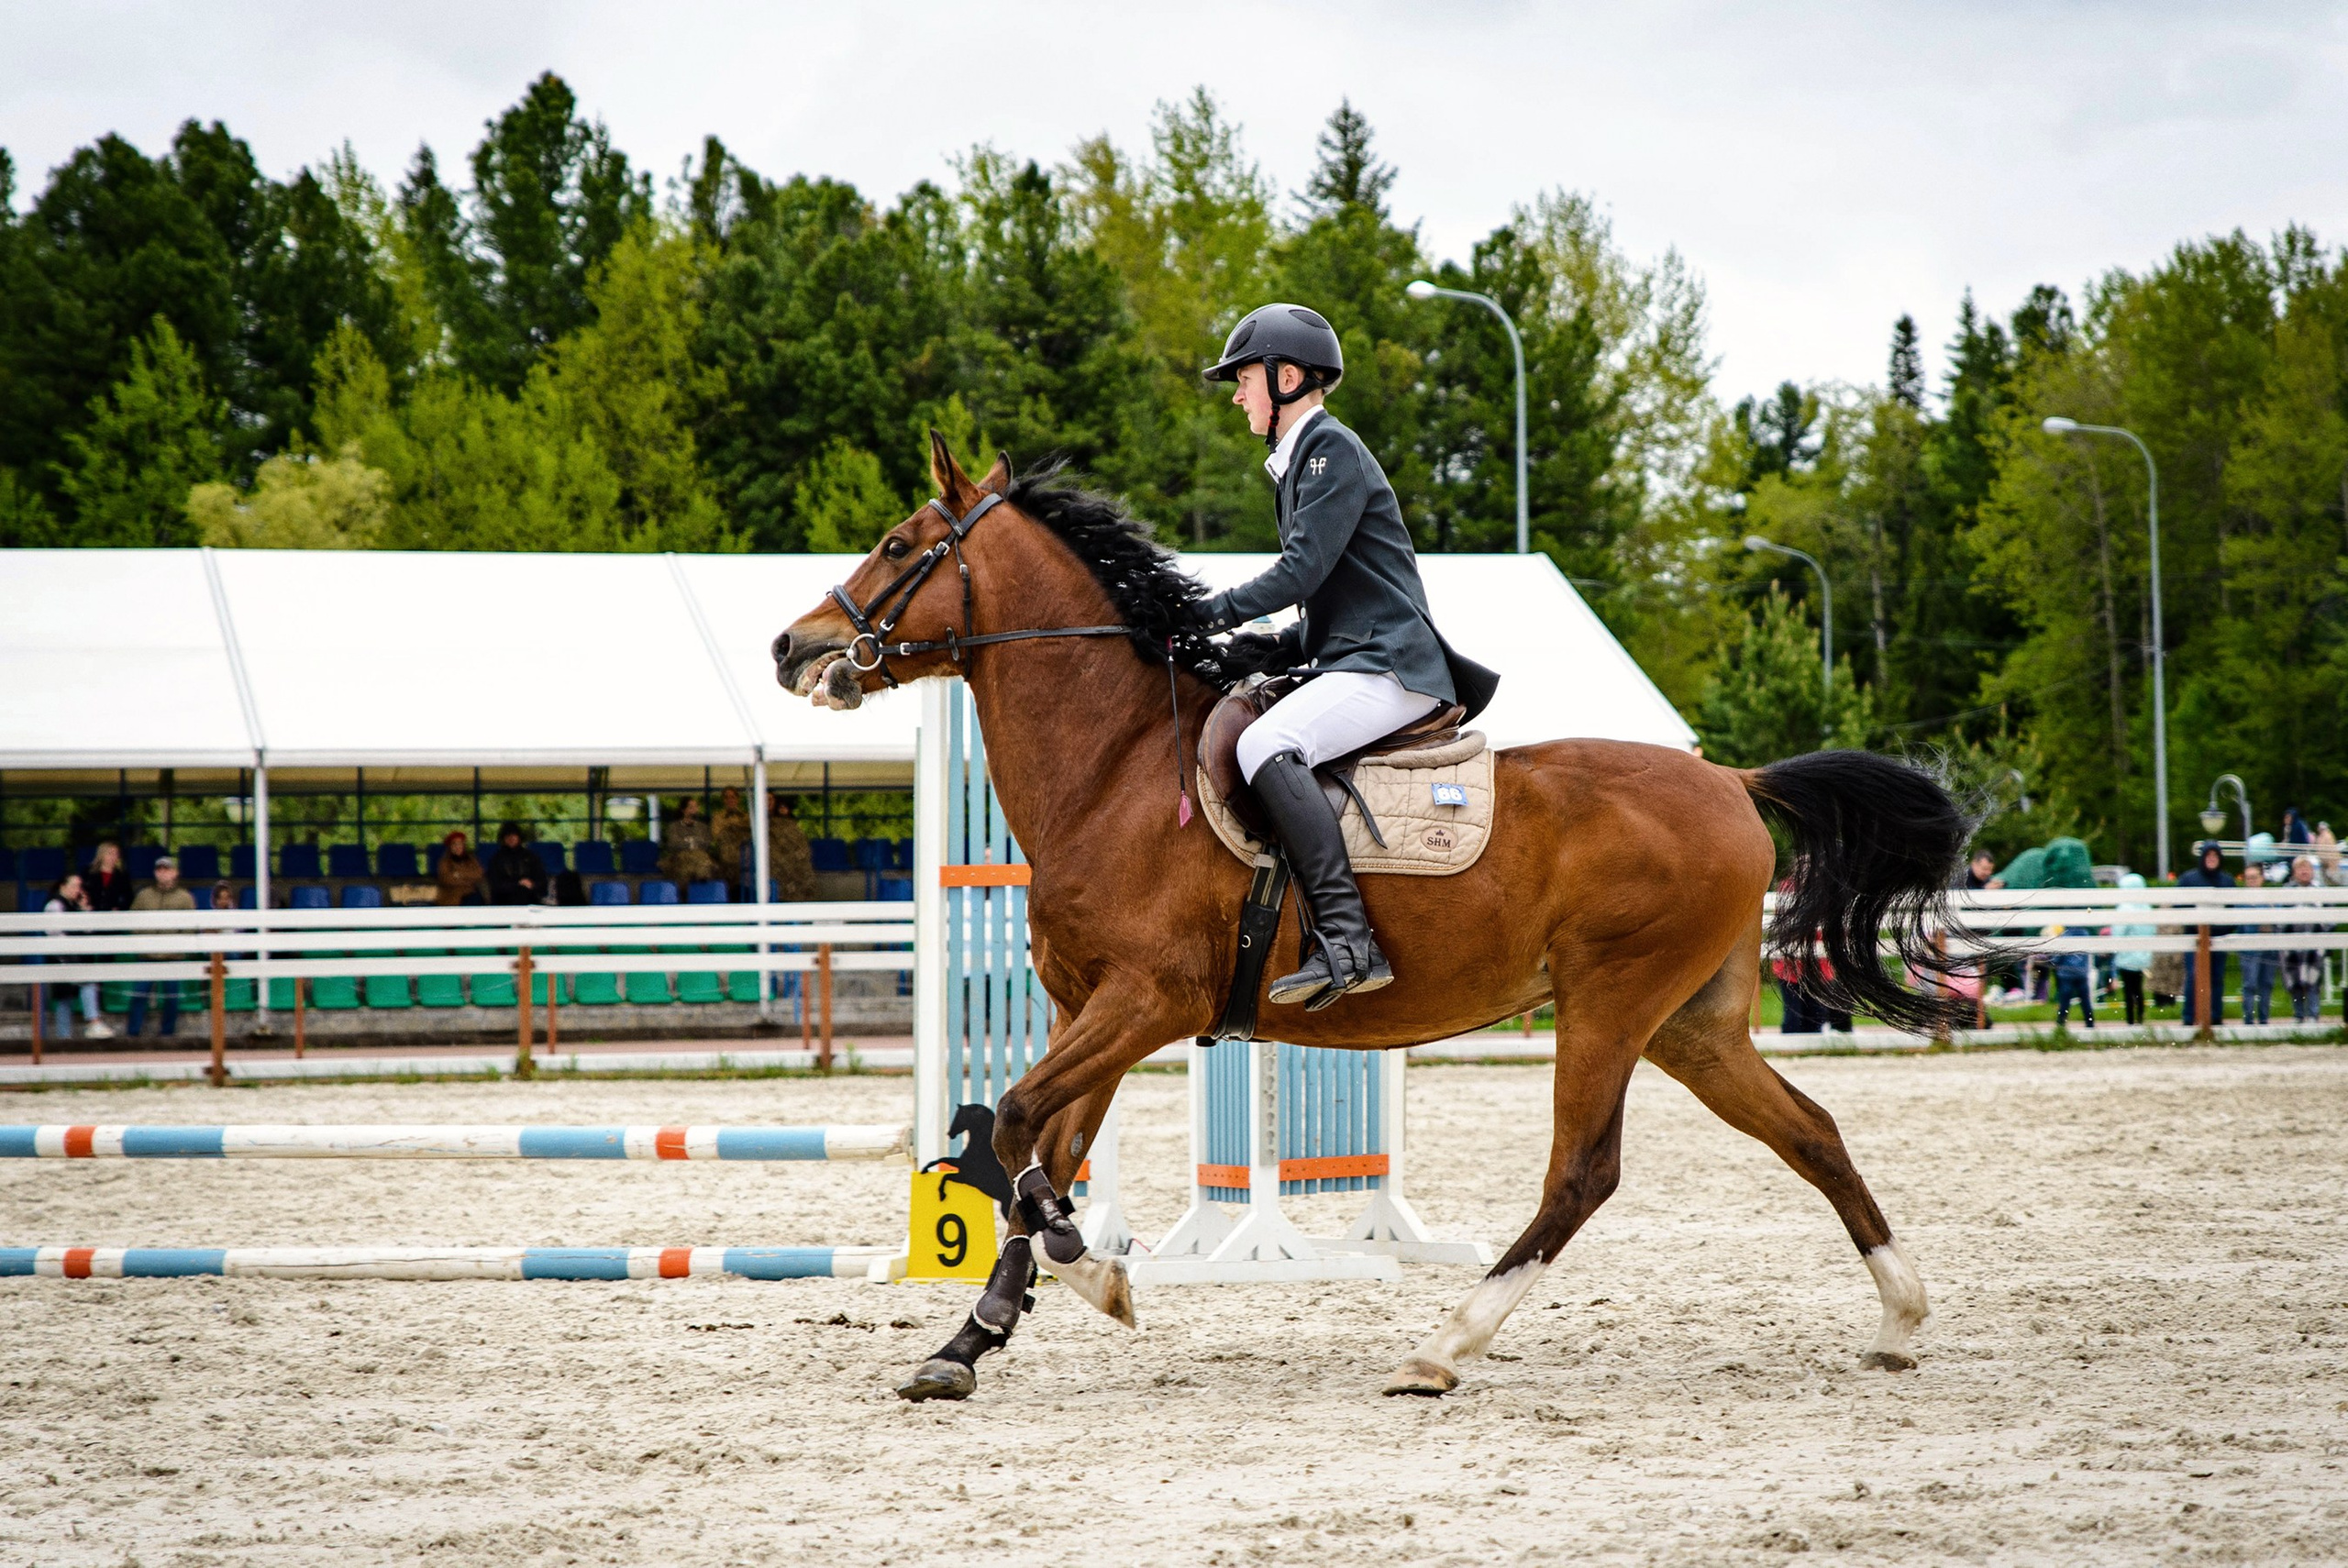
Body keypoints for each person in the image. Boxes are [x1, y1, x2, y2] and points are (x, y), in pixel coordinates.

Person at [1189, 302, 1500, 1010]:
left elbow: (1301, 572)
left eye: (1244, 380)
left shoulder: (1330, 451)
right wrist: (1272, 644)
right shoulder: (1301, 463)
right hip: (1361, 655)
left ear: (1287, 377)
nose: (1236, 396)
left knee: (1267, 742)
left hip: (1392, 665)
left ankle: (1347, 940)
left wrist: (1208, 611)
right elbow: (1336, 601)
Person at [126, 856, 195, 1038]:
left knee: (171, 998)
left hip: (172, 957)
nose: (162, 873)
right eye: (159, 869)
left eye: (166, 869)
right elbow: (133, 920)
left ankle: (167, 1034)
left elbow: (190, 926)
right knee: (139, 995)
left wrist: (177, 946)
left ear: (175, 873)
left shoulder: (185, 898)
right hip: (147, 956)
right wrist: (143, 943)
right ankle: (133, 1034)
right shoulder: (144, 895)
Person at [38, 873, 106, 1040]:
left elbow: (89, 930)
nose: (78, 890)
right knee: (66, 996)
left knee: (81, 987)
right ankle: (80, 1029)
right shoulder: (55, 905)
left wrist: (84, 910)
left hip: (76, 958)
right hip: (61, 958)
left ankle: (85, 1026)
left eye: (79, 886)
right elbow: (54, 932)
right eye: (74, 886)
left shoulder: (74, 906)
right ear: (63, 886)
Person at [2176, 840, 2233, 1025]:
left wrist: (2220, 931)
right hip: (2194, 939)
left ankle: (2215, 1016)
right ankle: (2189, 1017)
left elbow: (2234, 912)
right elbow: (2179, 908)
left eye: (2215, 855)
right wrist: (2198, 930)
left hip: (2218, 938)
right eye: (2208, 855)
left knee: (2216, 977)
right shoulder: (2188, 879)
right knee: (2193, 976)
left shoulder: (2227, 881)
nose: (2212, 859)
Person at [2280, 856, 2326, 1025]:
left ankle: (2313, 1015)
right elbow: (2281, 919)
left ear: (2312, 871)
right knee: (2295, 981)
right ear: (2294, 872)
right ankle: (2298, 1015)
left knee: (2313, 980)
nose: (2304, 871)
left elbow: (2329, 918)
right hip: (2292, 944)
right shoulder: (2287, 891)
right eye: (2300, 868)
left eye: (2307, 868)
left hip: (2315, 943)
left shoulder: (2320, 890)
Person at [2236, 862, 2278, 1025]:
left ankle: (2263, 1019)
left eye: (2254, 877)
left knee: (2267, 984)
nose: (2251, 881)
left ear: (2262, 878)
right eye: (2248, 878)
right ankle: (2248, 1020)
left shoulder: (2271, 899)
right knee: (2250, 984)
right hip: (2249, 950)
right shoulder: (2241, 902)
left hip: (2269, 949)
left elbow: (2278, 921)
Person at [2110, 872, 2154, 1027]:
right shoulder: (2147, 908)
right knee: (2138, 988)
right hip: (2143, 956)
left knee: (2128, 989)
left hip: (2126, 956)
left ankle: (2130, 1021)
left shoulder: (2124, 908)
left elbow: (2118, 932)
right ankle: (2140, 1019)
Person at [767, 795, 817, 904]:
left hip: (797, 872)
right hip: (778, 872)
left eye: (785, 807)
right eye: (780, 807)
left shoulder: (794, 827)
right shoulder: (767, 826)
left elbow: (803, 849)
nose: (783, 810)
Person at [659, 798, 720, 887]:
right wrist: (693, 842)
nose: (694, 810)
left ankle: (701, 884)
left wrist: (687, 841)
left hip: (700, 856)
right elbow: (673, 844)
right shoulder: (674, 827)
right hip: (681, 858)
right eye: (691, 807)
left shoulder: (703, 827)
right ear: (683, 810)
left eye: (696, 807)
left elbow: (706, 843)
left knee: (704, 860)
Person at [484, 823, 545, 905]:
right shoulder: (496, 859)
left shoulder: (531, 857)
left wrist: (532, 885)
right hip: (504, 900)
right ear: (503, 838)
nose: (511, 838)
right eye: (508, 836)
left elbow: (541, 881)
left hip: (529, 899)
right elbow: (495, 884)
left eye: (514, 835)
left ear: (519, 837)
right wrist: (518, 884)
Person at [712, 787, 754, 897]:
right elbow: (717, 835)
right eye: (726, 797)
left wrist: (730, 828)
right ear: (723, 800)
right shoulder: (718, 817)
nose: (730, 800)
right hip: (726, 856)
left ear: (737, 799)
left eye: (732, 797)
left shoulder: (746, 817)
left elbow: (750, 835)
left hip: (744, 857)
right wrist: (735, 829)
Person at [434, 830, 485, 906]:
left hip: (471, 893)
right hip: (452, 897)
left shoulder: (471, 859)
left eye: (460, 844)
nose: (458, 847)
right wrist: (469, 879)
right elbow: (448, 880)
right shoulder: (444, 862)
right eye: (454, 844)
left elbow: (479, 874)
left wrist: (458, 874)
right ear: (450, 847)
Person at [83, 840, 134, 913]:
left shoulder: (122, 876)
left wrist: (120, 908)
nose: (113, 857)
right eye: (110, 854)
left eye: (116, 854)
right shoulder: (88, 872)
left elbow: (128, 897)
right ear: (101, 855)